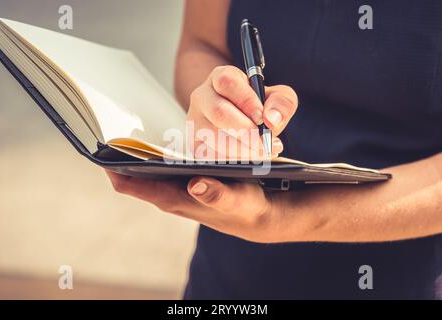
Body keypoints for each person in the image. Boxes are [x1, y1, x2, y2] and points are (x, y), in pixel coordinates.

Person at [106, 0, 442, 299]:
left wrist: (288, 218)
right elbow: (201, 44)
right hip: (233, 263)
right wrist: (220, 105)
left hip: (410, 269)